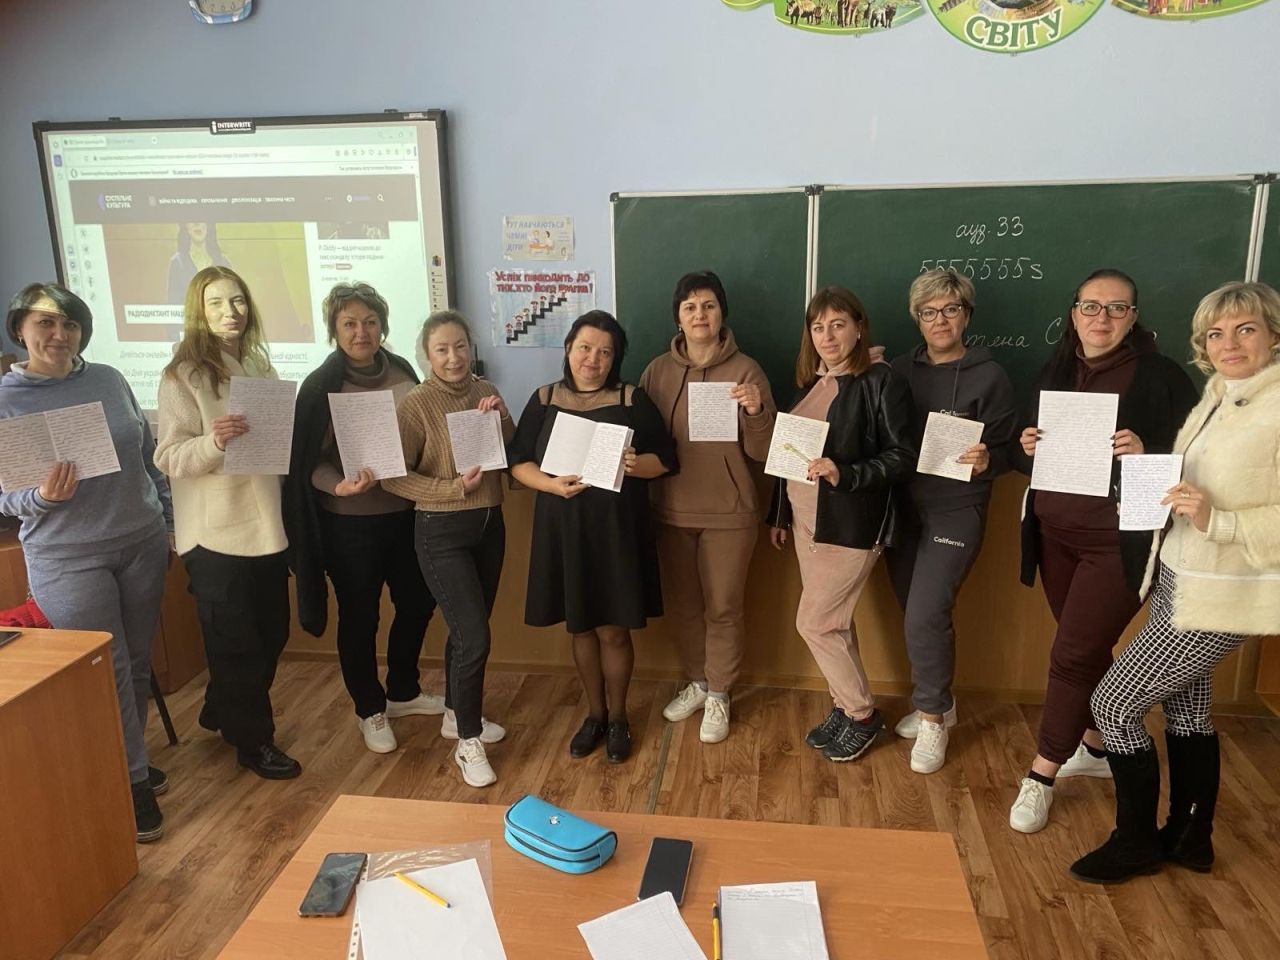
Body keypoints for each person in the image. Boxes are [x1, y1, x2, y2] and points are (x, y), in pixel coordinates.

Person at [1070, 281, 1280, 883]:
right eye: (1216, 333)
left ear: (1273, 336)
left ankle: (1135, 841)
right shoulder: (1221, 394)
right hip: (1180, 574)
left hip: (1222, 591)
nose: (1228, 343)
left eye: (1245, 329)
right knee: (1187, 709)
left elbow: (1232, 509)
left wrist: (1221, 520)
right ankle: (1191, 837)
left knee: (1112, 704)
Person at [1009, 268, 1198, 834]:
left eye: (1117, 308)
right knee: (1086, 648)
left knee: (1070, 655)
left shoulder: (1161, 376)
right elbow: (1024, 454)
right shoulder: (1056, 369)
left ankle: (1042, 774)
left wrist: (1146, 450)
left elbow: (1195, 462)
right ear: (1074, 313)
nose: (1102, 318)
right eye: (1091, 306)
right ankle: (1094, 743)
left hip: (1116, 544)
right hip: (1053, 536)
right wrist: (1025, 445)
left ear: (1133, 318)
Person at [0, 283, 173, 842]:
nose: (59, 334)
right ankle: (132, 781)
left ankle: (127, 758)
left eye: (70, 324)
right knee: (107, 666)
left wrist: (167, 520)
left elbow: (147, 456)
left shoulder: (109, 378)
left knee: (137, 662)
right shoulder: (5, 399)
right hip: (66, 555)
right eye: (45, 323)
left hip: (141, 540)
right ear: (20, 329)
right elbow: (3, 496)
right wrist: (41, 498)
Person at [509, 311, 677, 763]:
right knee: (580, 626)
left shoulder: (631, 398)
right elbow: (518, 460)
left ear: (615, 357)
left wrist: (636, 465)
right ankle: (594, 715)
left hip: (616, 531)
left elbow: (666, 459)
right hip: (563, 529)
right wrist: (550, 485)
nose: (593, 359)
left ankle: (619, 718)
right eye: (585, 348)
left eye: (605, 352)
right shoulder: (544, 398)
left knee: (614, 631)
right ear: (569, 348)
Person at [154, 266, 301, 780]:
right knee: (237, 645)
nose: (230, 312)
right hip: (215, 533)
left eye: (237, 300)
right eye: (216, 303)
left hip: (266, 526)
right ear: (198, 311)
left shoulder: (259, 365)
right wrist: (215, 442)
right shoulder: (182, 375)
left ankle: (222, 706)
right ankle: (253, 742)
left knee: (273, 633)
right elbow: (168, 457)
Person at [285, 282, 442, 756]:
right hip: (349, 521)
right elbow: (307, 462)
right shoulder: (319, 386)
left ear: (382, 327)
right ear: (334, 330)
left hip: (407, 513)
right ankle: (369, 707)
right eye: (350, 323)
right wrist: (339, 485)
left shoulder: (403, 371)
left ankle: (403, 690)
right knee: (360, 615)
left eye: (370, 322)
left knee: (417, 603)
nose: (361, 332)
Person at [767, 286, 916, 763]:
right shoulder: (813, 382)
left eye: (837, 325)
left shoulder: (880, 380)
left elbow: (902, 456)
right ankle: (844, 704)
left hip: (851, 523)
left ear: (858, 327)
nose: (827, 336)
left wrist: (845, 473)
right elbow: (789, 454)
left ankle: (863, 716)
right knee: (834, 623)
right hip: (807, 522)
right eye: (818, 327)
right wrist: (780, 514)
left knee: (814, 623)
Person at [887, 269, 1017, 774]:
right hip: (902, 508)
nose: (940, 320)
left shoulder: (991, 376)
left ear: (966, 315)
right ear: (917, 318)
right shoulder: (898, 371)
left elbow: (1009, 451)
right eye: (929, 312)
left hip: (957, 508)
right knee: (914, 612)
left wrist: (990, 458)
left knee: (926, 613)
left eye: (950, 309)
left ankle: (933, 719)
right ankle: (938, 701)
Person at [638, 270, 776, 744]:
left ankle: (719, 693)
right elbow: (645, 439)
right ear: (678, 317)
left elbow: (763, 451)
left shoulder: (748, 370)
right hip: (670, 510)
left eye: (709, 305)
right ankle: (698, 681)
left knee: (723, 606)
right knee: (683, 606)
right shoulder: (656, 372)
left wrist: (756, 412)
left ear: (722, 314)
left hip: (729, 514)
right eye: (690, 307)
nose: (700, 315)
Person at [381, 310, 514, 787]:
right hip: (441, 531)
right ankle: (468, 743)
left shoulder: (484, 389)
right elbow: (393, 476)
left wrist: (503, 418)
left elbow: (507, 448)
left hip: (490, 524)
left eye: (460, 346)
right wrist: (453, 488)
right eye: (442, 349)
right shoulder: (415, 404)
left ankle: (457, 715)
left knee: (466, 632)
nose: (453, 357)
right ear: (426, 355)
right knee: (474, 636)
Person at [167, 222, 231, 305]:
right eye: (192, 220)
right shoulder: (177, 262)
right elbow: (173, 302)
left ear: (208, 226)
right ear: (186, 227)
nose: (197, 224)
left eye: (202, 219)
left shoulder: (223, 261)